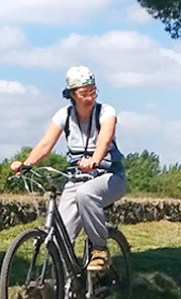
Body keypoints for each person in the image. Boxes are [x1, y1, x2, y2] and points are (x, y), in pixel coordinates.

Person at [11, 66, 126, 275]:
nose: (89, 97)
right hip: (77, 178)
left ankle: (99, 249)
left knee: (86, 194)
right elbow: (46, 144)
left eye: (93, 91)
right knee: (59, 239)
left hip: (110, 177)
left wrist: (95, 159)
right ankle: (63, 298)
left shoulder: (106, 112)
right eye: (84, 93)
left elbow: (105, 137)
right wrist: (27, 164)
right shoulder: (64, 115)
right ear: (72, 94)